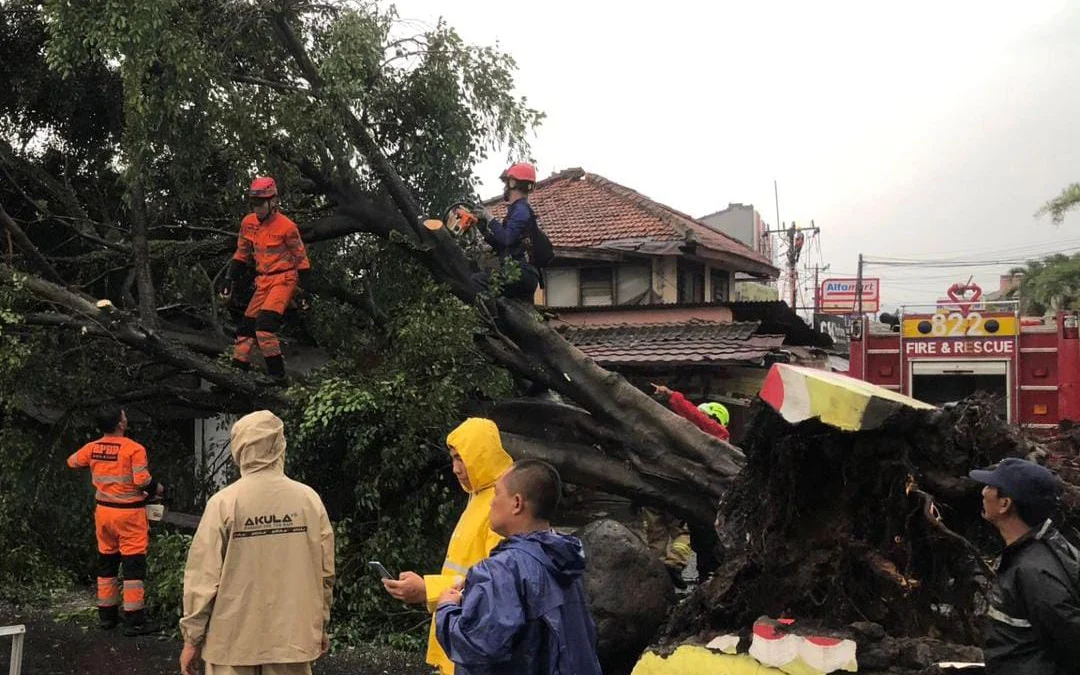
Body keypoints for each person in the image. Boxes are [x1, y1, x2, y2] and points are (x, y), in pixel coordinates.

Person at [179, 410, 335, 675]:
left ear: (239, 448)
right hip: (292, 640)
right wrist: (319, 624)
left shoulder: (224, 503)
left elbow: (202, 579)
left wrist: (192, 639)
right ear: (279, 445)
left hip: (231, 642)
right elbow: (325, 574)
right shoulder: (308, 500)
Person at [434, 459, 602, 675]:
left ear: (516, 503)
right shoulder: (566, 559)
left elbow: (476, 647)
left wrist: (447, 608)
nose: (491, 503)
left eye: (496, 494)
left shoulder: (502, 570)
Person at [382, 418, 513, 675]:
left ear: (479, 455)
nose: (455, 468)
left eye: (460, 458)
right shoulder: (479, 496)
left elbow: (498, 581)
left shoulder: (499, 502)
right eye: (453, 458)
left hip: (475, 641)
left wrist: (426, 589)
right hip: (462, 631)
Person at [969, 457, 1080, 674]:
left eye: (991, 486)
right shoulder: (1043, 548)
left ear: (1005, 504)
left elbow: (1071, 642)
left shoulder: (1033, 572)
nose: (983, 492)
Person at [66, 405, 164, 635]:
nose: (126, 418)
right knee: (133, 568)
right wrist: (159, 488)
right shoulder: (134, 449)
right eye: (124, 416)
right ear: (120, 424)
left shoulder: (93, 448)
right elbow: (142, 481)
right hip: (129, 514)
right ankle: (134, 621)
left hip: (103, 513)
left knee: (107, 564)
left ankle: (107, 617)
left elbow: (72, 461)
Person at [220, 176, 312, 384]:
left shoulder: (287, 227)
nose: (258, 208)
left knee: (264, 327)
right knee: (245, 329)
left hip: (284, 279)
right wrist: (228, 279)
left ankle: (277, 376)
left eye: (261, 204)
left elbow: (302, 260)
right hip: (263, 281)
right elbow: (241, 254)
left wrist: (305, 291)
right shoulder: (248, 223)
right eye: (254, 204)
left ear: (273, 202)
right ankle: (236, 377)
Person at [643, 384, 731, 585]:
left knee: (660, 536)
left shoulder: (708, 437)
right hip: (683, 496)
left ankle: (655, 578)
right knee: (686, 535)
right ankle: (673, 567)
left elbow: (695, 416)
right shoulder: (708, 440)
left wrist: (673, 395)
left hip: (661, 489)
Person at [473, 163, 542, 301]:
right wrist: (485, 232)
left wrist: (489, 217)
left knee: (476, 280)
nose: (504, 188)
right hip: (524, 274)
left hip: (519, 273)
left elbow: (506, 238)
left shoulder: (521, 210)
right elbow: (504, 246)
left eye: (506, 183)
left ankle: (490, 320)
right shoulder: (519, 210)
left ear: (513, 183)